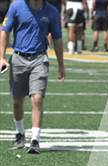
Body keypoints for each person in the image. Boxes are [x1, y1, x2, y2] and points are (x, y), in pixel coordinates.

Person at [0, 0, 65, 154]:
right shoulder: (16, 6)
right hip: (18, 58)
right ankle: (20, 133)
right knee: (17, 101)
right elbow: (5, 30)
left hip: (39, 59)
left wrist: (61, 65)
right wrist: (1, 57)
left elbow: (57, 39)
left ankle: (35, 140)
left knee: (37, 98)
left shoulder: (52, 11)